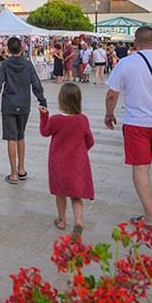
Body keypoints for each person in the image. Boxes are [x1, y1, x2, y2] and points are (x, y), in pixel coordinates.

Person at [105, 26, 152, 230]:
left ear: (135, 44)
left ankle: (149, 216)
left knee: (141, 167)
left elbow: (112, 95)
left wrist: (109, 114)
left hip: (136, 122)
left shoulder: (126, 64)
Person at [0, 36, 48, 185]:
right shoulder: (28, 65)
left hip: (9, 104)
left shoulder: (5, 65)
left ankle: (13, 173)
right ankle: (21, 168)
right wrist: (42, 100)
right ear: (21, 48)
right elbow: (36, 83)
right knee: (21, 136)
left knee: (11, 138)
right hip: (24, 104)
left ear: (8, 50)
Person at [39, 82, 95, 238]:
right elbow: (90, 141)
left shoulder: (56, 120)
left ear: (61, 100)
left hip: (59, 163)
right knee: (76, 195)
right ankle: (78, 221)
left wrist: (44, 116)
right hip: (77, 163)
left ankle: (62, 220)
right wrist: (81, 152)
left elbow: (45, 132)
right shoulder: (82, 120)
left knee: (60, 193)